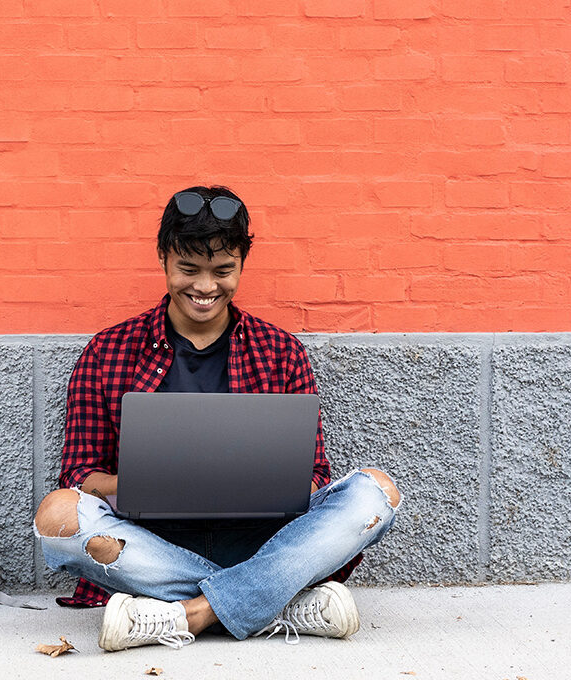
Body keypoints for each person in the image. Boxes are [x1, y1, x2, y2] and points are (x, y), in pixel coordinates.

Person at [32, 186, 402, 651]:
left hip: (262, 543)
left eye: (222, 271)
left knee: (376, 492)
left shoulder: (281, 352)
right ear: (164, 258)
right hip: (150, 549)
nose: (205, 287)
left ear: (242, 266)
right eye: (189, 269)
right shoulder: (108, 352)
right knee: (56, 516)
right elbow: (78, 476)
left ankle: (189, 613)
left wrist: (261, 484)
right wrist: (148, 484)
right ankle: (280, 604)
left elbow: (314, 478)